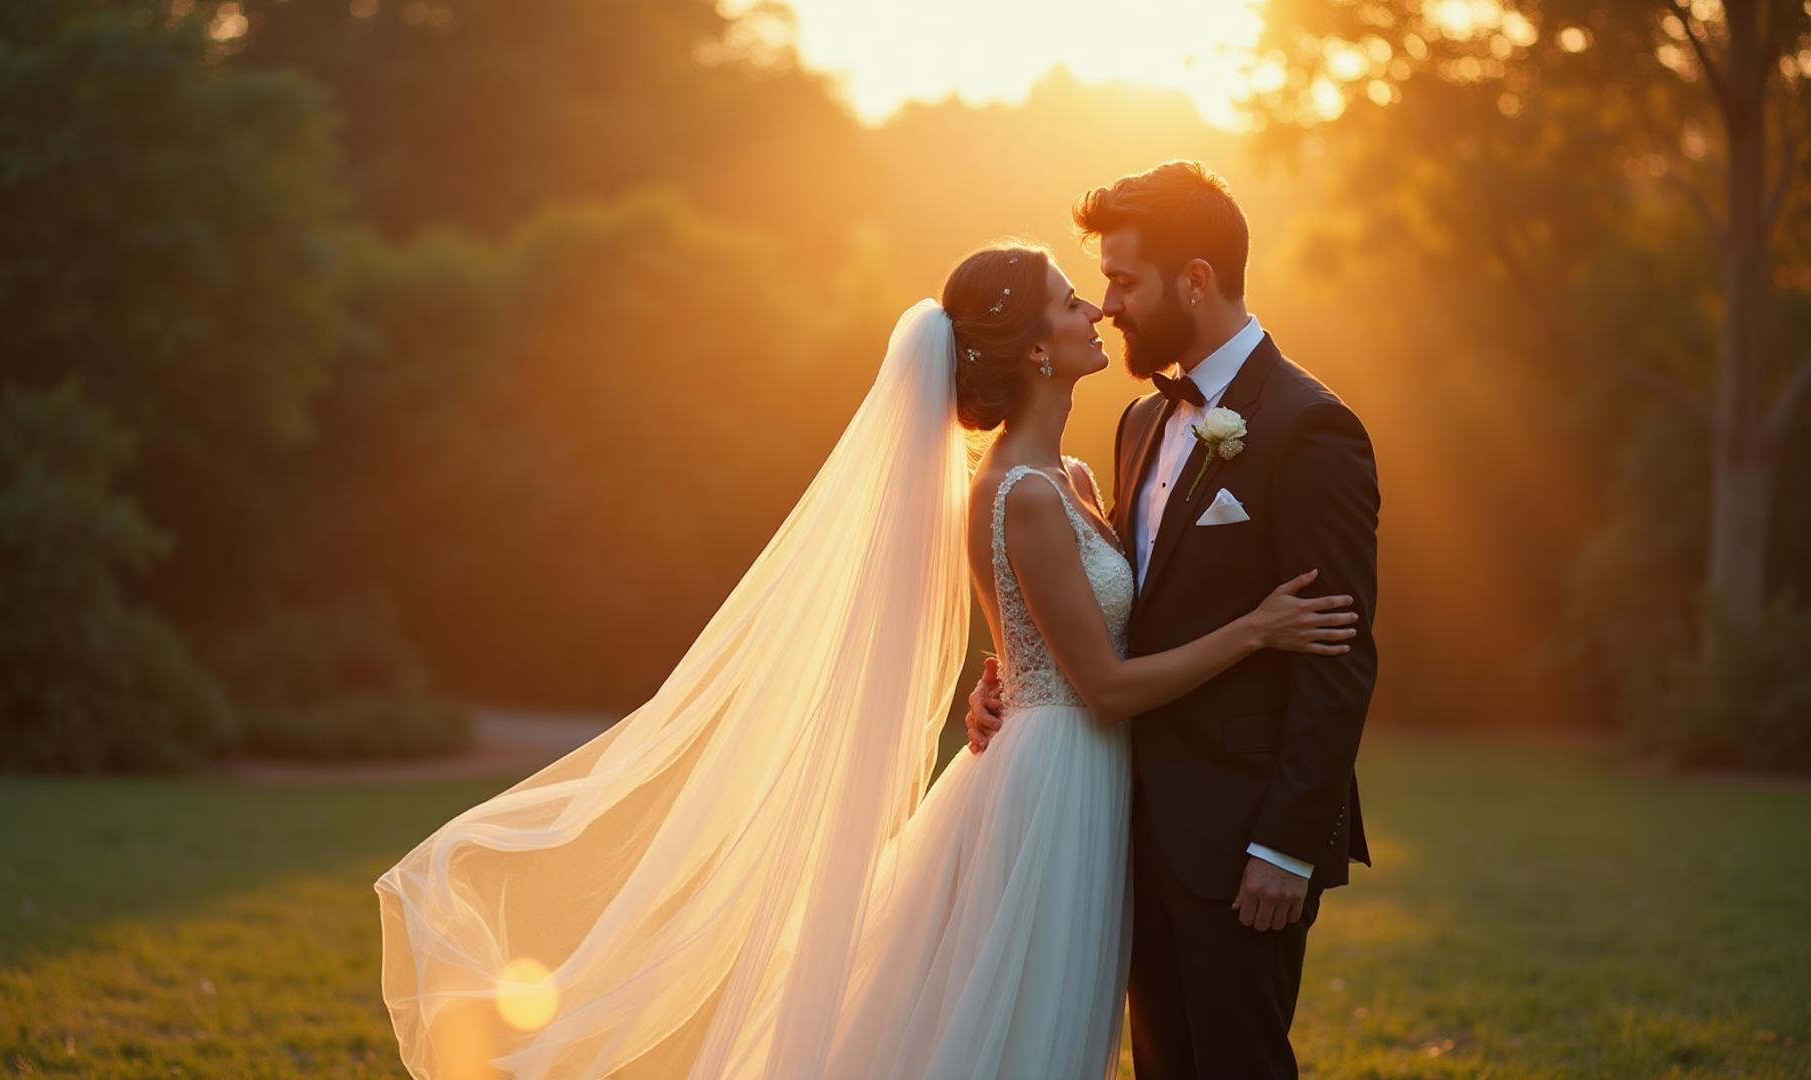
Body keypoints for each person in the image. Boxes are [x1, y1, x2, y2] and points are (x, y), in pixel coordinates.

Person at [375, 231, 1357, 1080]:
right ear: (1031, 353)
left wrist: (1009, 678)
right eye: (1070, 302)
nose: (1093, 311)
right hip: (1053, 785)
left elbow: (1079, 637)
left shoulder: (1078, 473)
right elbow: (1098, 684)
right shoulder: (1017, 492)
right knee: (1017, 1039)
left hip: (1091, 777)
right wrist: (1255, 631)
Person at [968, 161, 1381, 1079]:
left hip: (1244, 846)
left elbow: (1339, 659)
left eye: (1123, 282)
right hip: (1127, 826)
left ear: (1194, 281)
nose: (1107, 307)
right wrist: (1007, 680)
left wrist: (1286, 843)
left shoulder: (1311, 429)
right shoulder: (1136, 425)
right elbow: (1106, 613)